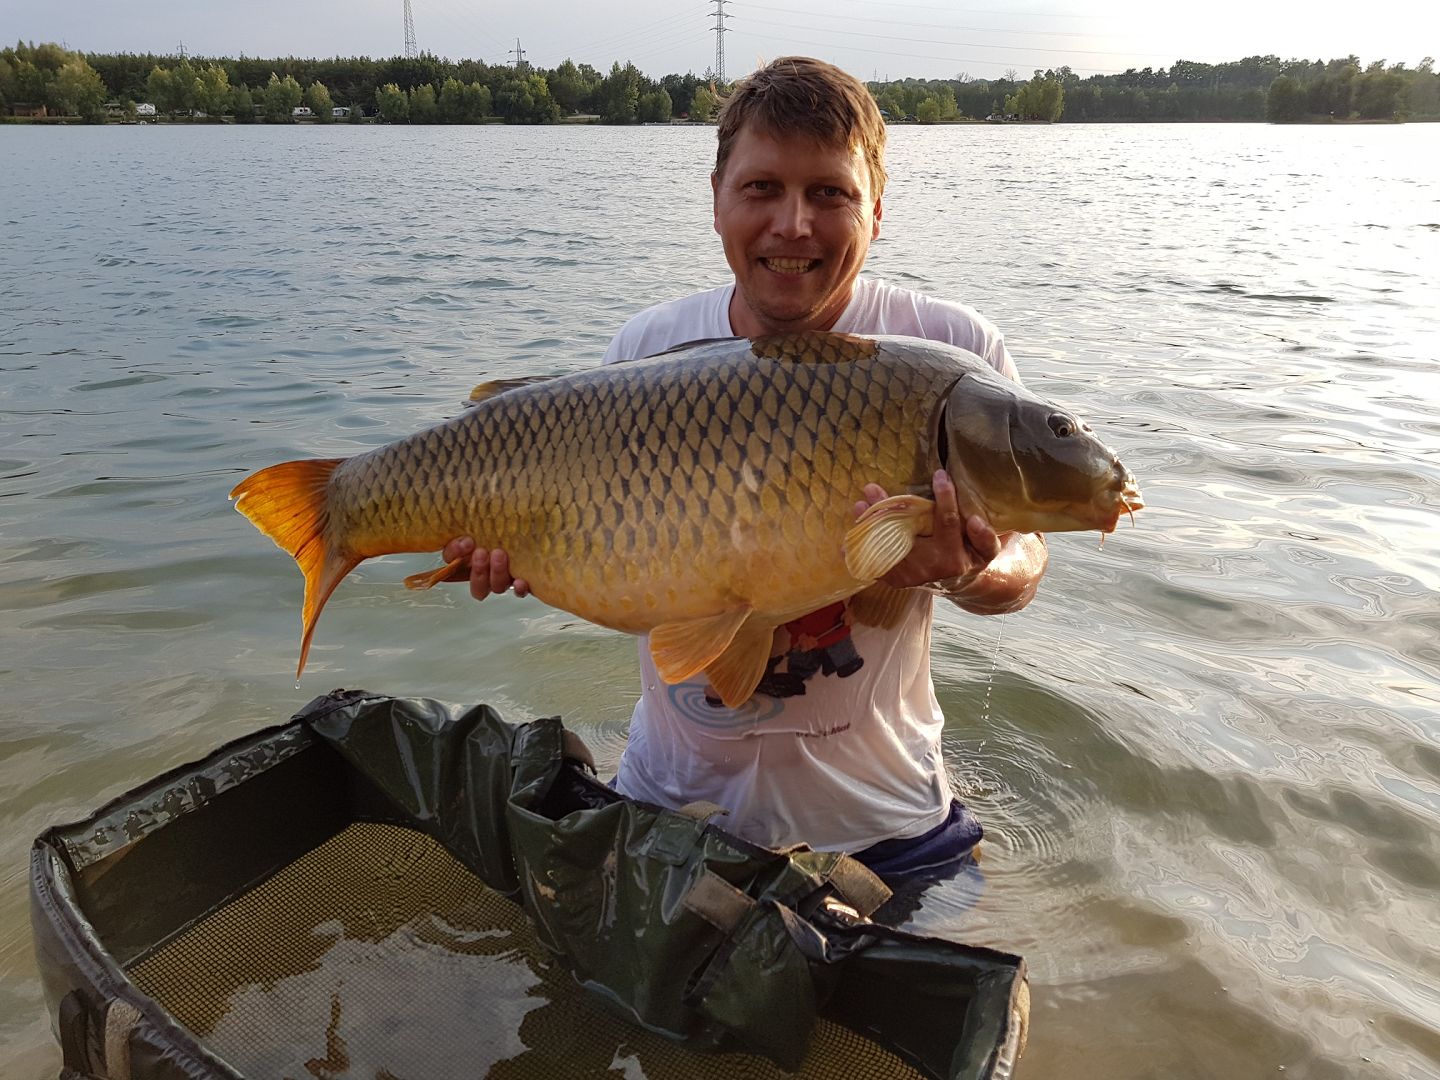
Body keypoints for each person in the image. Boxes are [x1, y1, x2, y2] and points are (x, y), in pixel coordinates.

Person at [442, 56, 1048, 882]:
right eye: (762, 188)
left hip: (884, 821)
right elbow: (598, 547)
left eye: (829, 193)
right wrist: (517, 555)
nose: (793, 225)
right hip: (669, 802)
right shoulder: (646, 348)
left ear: (877, 206)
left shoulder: (953, 353)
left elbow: (1024, 558)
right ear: (718, 198)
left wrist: (972, 569)